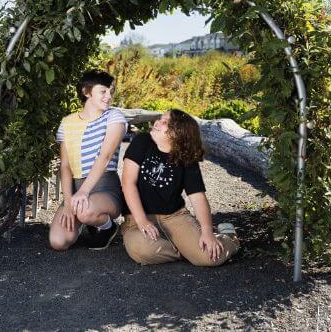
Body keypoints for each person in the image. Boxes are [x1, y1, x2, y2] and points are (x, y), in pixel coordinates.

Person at [120, 109, 240, 266]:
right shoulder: (142, 141)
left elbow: (198, 197)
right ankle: (186, 251)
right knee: (142, 250)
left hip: (174, 217)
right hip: (137, 219)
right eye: (160, 119)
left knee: (209, 257)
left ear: (178, 134)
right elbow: (128, 183)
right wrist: (142, 221)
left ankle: (229, 236)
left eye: (165, 123)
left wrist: (208, 233)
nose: (157, 122)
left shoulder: (186, 157)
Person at [49, 69, 128, 251]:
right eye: (103, 91)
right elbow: (66, 165)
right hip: (76, 189)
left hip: (104, 186)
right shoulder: (67, 123)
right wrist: (69, 202)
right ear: (86, 92)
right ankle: (87, 219)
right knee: (58, 242)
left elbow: (105, 157)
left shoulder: (114, 117)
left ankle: (107, 226)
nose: (109, 96)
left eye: (111, 91)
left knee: (85, 211)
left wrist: (83, 193)